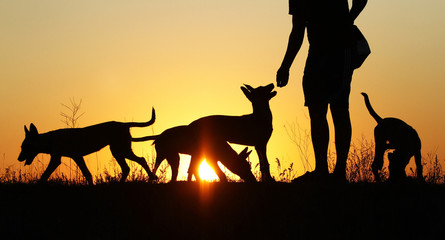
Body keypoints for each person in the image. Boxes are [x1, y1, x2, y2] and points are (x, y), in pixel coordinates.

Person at [277, 0, 367, 182]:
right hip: (316, 52)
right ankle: (321, 171)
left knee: (339, 109)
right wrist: (285, 66)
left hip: (340, 50)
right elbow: (297, 30)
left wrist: (348, 20)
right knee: (317, 111)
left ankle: (340, 173)